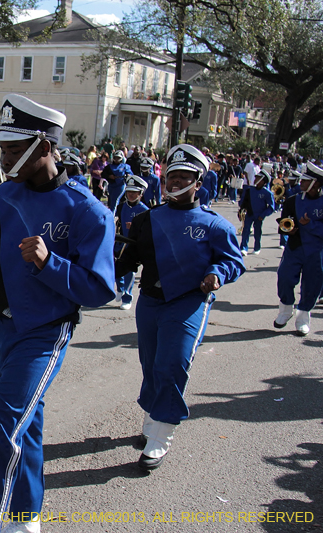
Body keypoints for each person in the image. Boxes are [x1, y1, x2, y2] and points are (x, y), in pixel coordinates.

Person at [0, 94, 115, 533]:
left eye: (16, 151)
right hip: (4, 325)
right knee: (26, 422)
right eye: (3, 150)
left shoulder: (87, 211)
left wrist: (48, 262)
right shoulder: (3, 197)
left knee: (1, 426)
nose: (5, 160)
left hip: (45, 332)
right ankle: (25, 515)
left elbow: (99, 289)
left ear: (46, 148)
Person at [115, 144, 244, 471]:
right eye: (171, 177)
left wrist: (217, 273)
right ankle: (153, 416)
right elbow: (127, 262)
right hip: (150, 302)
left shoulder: (215, 224)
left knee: (172, 365)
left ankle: (161, 436)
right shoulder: (146, 219)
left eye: (183, 178)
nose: (174, 183)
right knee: (152, 364)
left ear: (198, 182)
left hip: (188, 304)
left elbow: (233, 261)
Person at [274, 163, 323, 335]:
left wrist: (309, 225)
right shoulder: (293, 200)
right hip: (295, 247)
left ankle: (303, 317)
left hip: (316, 251)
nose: (301, 183)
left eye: (306, 180)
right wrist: (288, 229)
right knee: (285, 278)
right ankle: (286, 309)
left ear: (316, 184)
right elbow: (282, 225)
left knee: (312, 285)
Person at [114, 175, 149, 310]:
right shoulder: (122, 206)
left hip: (134, 244)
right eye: (129, 192)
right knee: (116, 267)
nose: (131, 195)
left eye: (134, 192)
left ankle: (127, 297)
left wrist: (136, 227)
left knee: (129, 271)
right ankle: (120, 289)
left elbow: (147, 230)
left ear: (140, 194)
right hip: (120, 242)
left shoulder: (144, 210)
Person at [239, 168, 275, 255]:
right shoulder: (249, 190)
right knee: (246, 230)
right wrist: (241, 209)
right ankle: (244, 248)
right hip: (250, 214)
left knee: (257, 232)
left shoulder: (267, 193)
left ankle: (257, 248)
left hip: (259, 215)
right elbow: (243, 201)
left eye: (258, 178)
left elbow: (271, 207)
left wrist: (263, 215)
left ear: (263, 181)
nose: (255, 180)